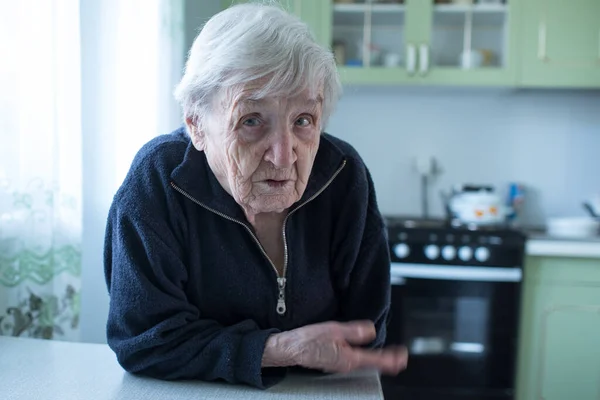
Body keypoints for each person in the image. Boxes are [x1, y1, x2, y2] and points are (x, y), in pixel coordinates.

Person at [104, 1, 408, 389]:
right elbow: (144, 340)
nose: (284, 156)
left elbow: (365, 330)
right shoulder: (158, 182)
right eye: (251, 121)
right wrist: (280, 348)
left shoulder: (344, 176)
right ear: (196, 124)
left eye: (303, 121)